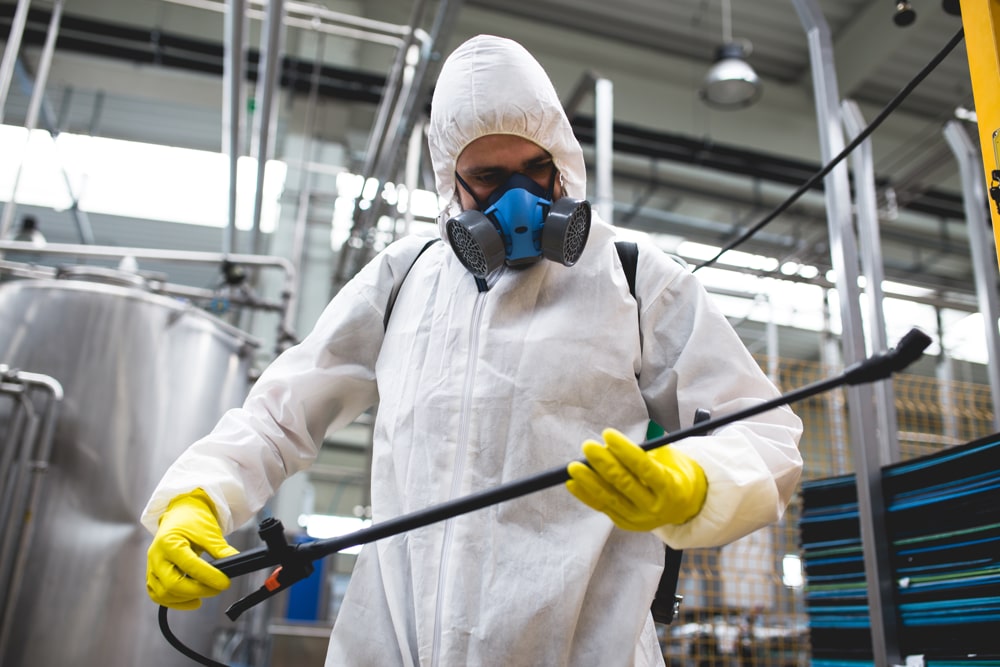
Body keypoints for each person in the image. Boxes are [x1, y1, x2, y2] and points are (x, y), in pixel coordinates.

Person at [142, 34, 803, 666]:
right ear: (450, 180)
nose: (519, 200)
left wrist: (696, 485)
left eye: (535, 169)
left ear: (562, 163)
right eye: (488, 176)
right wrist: (196, 498)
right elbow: (278, 417)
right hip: (389, 647)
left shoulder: (632, 277)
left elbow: (764, 433)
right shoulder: (402, 278)